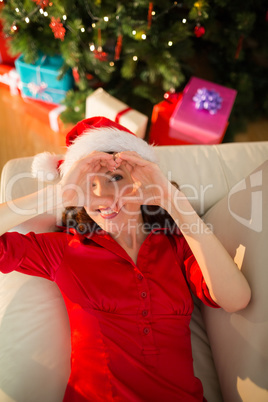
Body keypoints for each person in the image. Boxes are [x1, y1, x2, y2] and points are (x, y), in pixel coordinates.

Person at [0, 116, 251, 401]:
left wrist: (173, 201)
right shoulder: (65, 250)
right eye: (89, 186)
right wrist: (57, 194)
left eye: (115, 178)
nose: (104, 197)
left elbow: (236, 298)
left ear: (139, 179)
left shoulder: (177, 245)